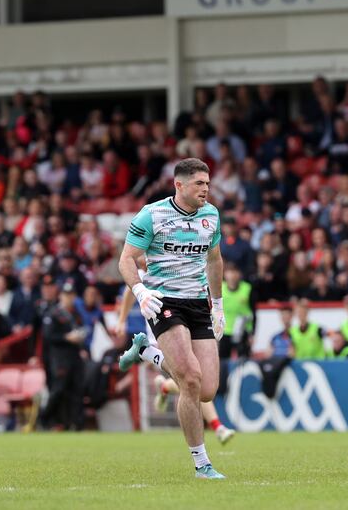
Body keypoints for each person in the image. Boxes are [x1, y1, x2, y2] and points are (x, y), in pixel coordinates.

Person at [117, 158, 227, 479]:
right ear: (179, 185)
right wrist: (139, 292)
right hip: (164, 301)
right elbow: (125, 260)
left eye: (207, 183)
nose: (205, 189)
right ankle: (202, 464)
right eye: (199, 184)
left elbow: (215, 260)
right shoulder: (151, 215)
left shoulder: (211, 216)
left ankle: (146, 352)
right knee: (189, 378)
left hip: (198, 304)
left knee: (207, 390)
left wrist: (218, 305)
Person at [114, 255, 235, 445]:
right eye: (141, 257)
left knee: (194, 379)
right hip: (163, 333)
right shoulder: (140, 276)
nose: (144, 259)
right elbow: (129, 295)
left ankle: (157, 371)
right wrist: (121, 320)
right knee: (194, 377)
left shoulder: (170, 267)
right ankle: (217, 426)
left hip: (182, 325)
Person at [40, 282, 86, 431]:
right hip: (59, 357)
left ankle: (76, 424)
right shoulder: (53, 314)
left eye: (71, 295)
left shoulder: (75, 314)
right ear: (61, 296)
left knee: (77, 390)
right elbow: (48, 336)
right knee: (58, 389)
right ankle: (45, 419)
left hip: (74, 356)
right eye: (66, 295)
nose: (69, 298)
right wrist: (66, 337)